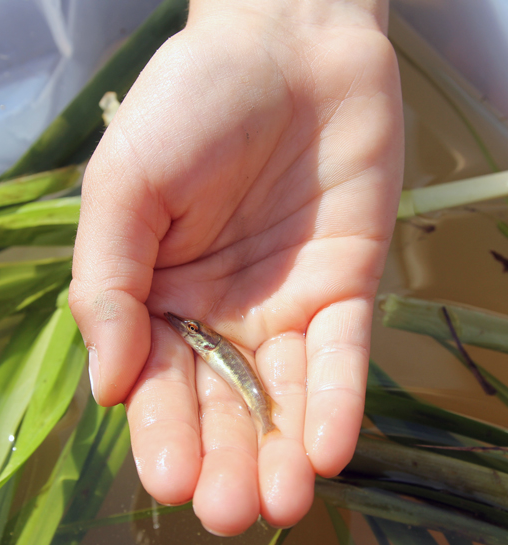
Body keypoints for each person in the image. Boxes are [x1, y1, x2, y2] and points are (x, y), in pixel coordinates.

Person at [68, 0, 403, 536]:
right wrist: (279, 21)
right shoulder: (203, 336)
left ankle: (264, 421)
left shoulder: (205, 340)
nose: (195, 337)